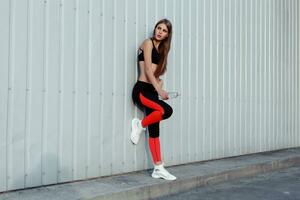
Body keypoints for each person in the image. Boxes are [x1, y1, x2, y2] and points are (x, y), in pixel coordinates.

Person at [131, 19, 176, 181]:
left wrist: (159, 84)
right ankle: (140, 125)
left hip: (152, 91)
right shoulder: (148, 43)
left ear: (167, 35)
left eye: (164, 31)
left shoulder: (162, 50)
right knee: (166, 110)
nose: (160, 32)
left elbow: (156, 75)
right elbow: (148, 69)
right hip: (142, 90)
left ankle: (158, 167)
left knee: (155, 132)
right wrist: (159, 90)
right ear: (155, 29)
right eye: (159, 28)